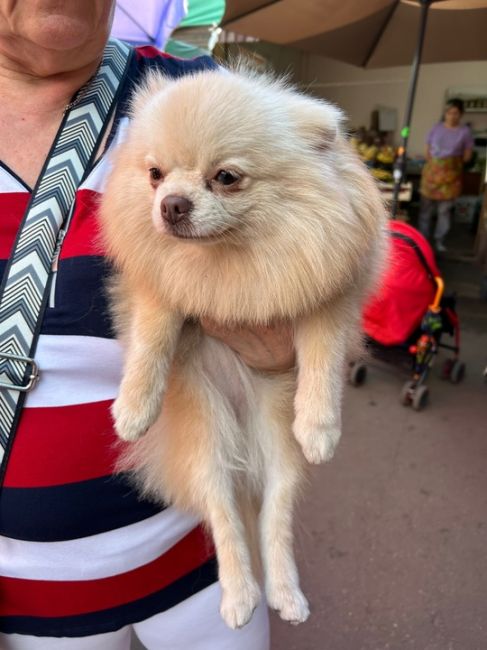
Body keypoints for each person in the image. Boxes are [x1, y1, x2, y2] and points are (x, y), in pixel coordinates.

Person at [0, 2, 295, 648]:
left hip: (202, 557)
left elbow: (322, 233)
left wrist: (287, 349)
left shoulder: (195, 97)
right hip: (29, 603)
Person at [418, 98, 474, 253]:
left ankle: (439, 241)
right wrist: (435, 165)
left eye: (456, 113)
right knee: (425, 210)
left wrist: (451, 163)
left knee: (444, 211)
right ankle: (423, 241)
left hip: (451, 178)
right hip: (431, 175)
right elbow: (427, 151)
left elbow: (467, 157)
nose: (452, 116)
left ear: (461, 114)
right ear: (445, 113)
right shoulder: (435, 128)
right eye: (449, 113)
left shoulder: (465, 132)